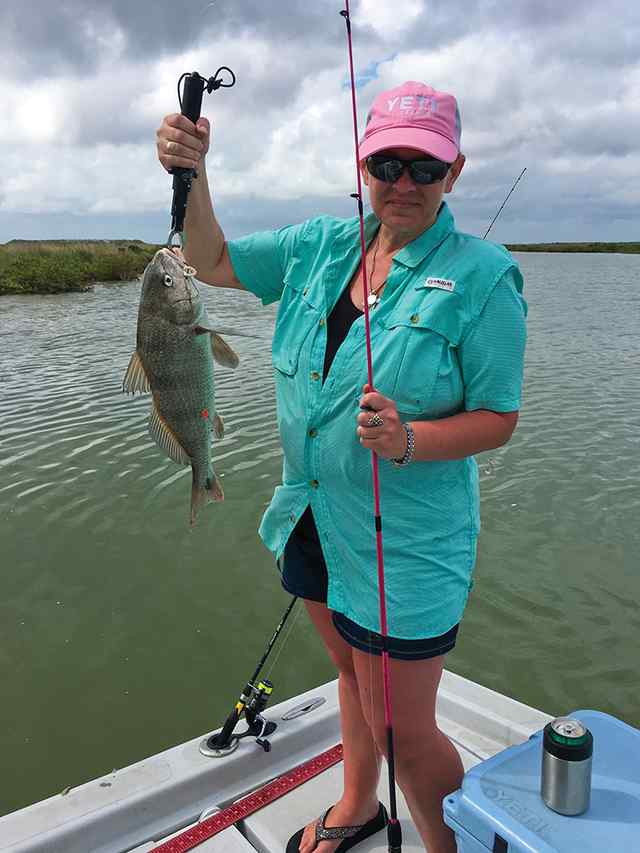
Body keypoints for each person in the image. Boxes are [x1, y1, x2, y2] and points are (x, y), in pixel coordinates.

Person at [156, 80, 527, 853]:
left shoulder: (484, 277)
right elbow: (210, 259)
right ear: (364, 164)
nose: (403, 183)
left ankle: (446, 843)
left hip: (407, 541)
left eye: (424, 168)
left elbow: (500, 417)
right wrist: (191, 175)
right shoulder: (318, 246)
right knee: (353, 681)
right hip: (313, 512)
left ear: (453, 172)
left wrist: (409, 439)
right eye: (387, 162)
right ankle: (359, 805)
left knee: (402, 724)